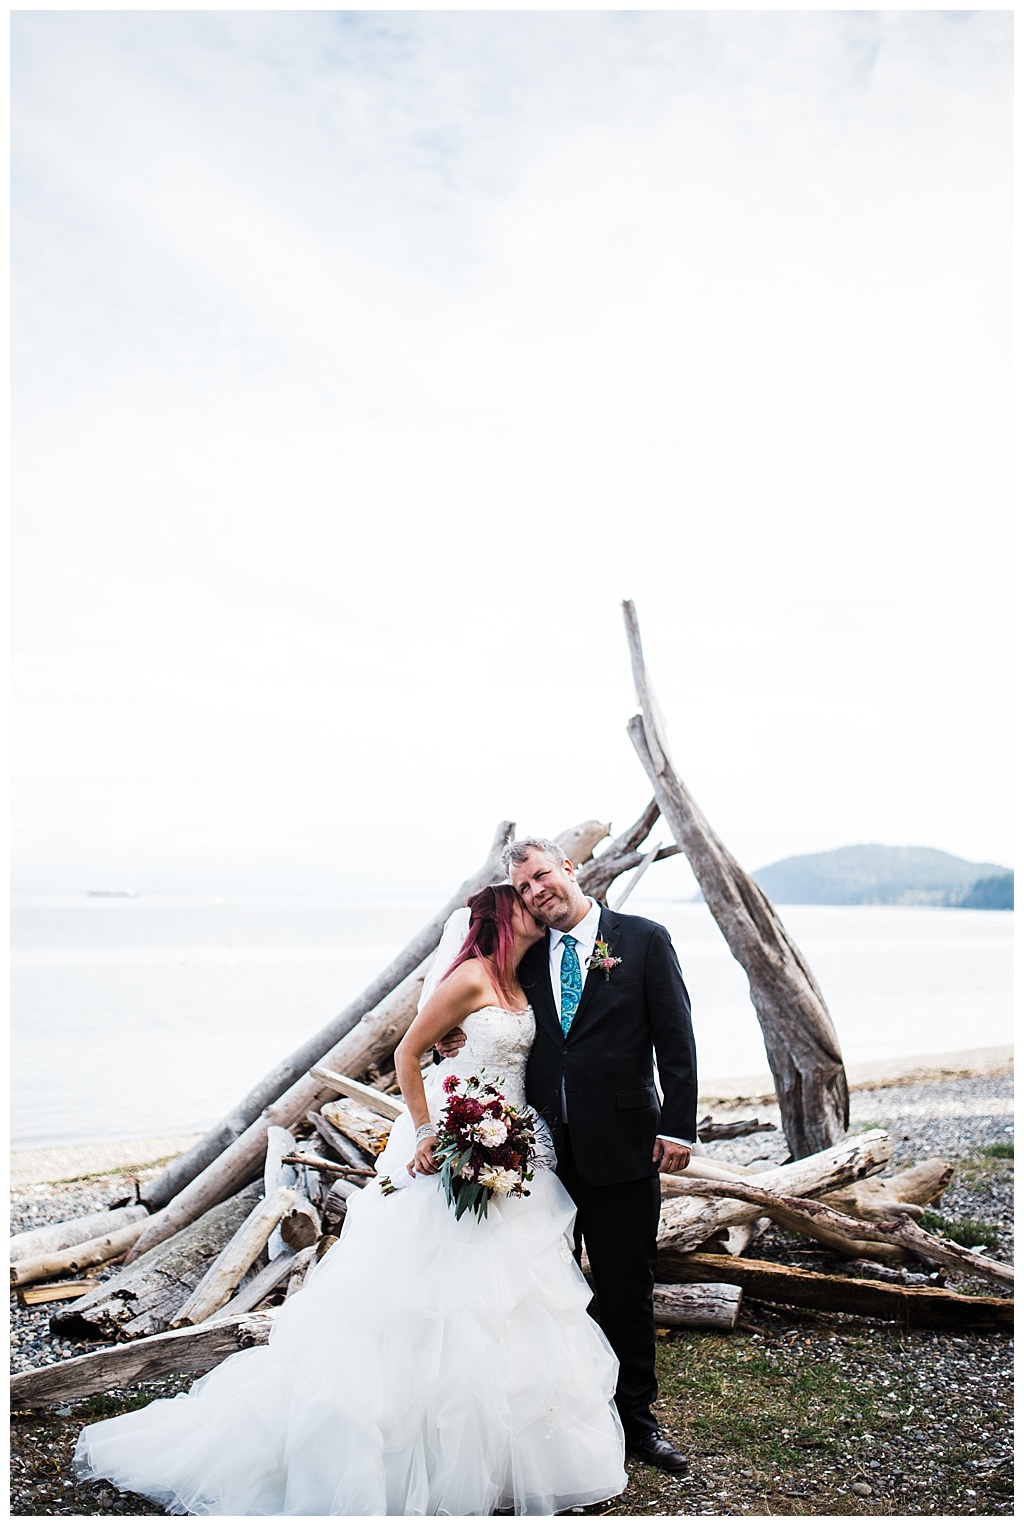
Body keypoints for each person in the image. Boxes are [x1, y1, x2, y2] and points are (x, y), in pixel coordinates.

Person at [73, 884, 628, 1517]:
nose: (536, 910)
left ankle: (502, 1462)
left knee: (513, 1300)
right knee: (433, 1302)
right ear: (505, 919)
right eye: (524, 904)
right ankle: (405, 1453)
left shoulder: (521, 977)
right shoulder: (472, 975)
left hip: (511, 1149)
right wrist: (429, 1132)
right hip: (456, 1144)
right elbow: (409, 1050)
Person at [438, 837, 697, 1474]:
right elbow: (484, 1005)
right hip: (538, 1156)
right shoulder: (525, 959)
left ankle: (637, 1420)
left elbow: (676, 1036)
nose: (536, 893)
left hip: (625, 1147)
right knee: (546, 1291)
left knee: (626, 1286)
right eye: (524, 888)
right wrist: (452, 1037)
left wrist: (679, 1127)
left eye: (542, 877)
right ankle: (569, 1417)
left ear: (570, 869)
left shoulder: (642, 939)